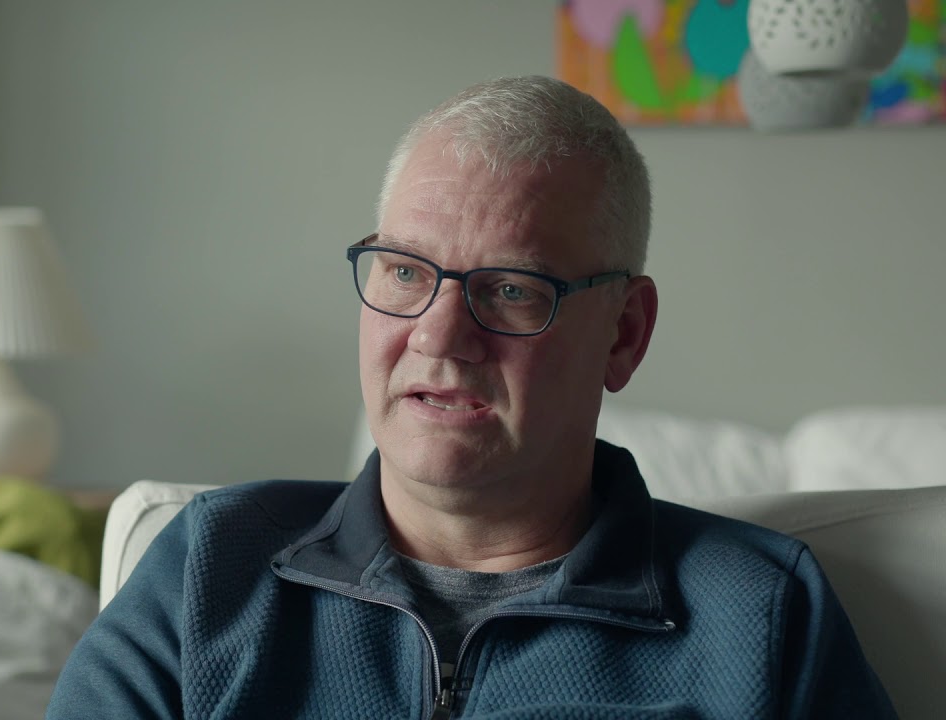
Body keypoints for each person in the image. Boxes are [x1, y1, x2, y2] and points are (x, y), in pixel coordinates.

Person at [47, 76, 894, 719]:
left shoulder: (758, 616)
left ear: (624, 333)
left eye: (513, 289)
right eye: (404, 272)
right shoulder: (209, 569)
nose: (439, 336)